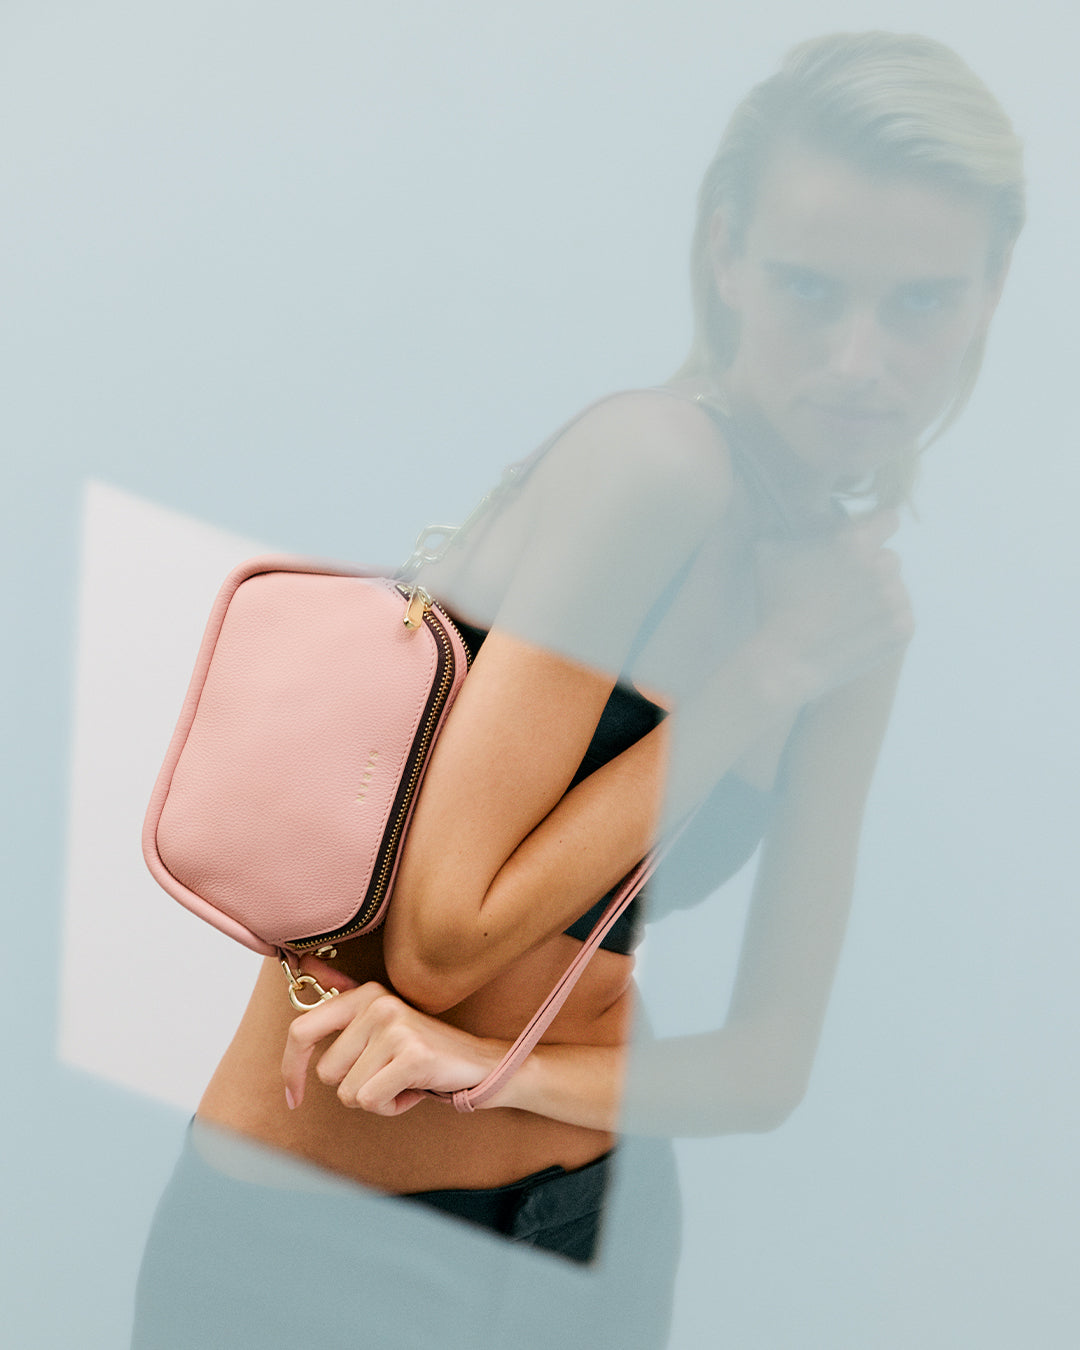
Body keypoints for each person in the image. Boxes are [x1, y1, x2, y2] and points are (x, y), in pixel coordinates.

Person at [132, 30, 1024, 1349]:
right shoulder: (652, 466)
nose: (858, 356)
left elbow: (768, 1065)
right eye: (809, 287)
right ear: (725, 255)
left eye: (920, 303)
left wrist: (499, 1073)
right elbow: (442, 939)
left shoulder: (847, 610)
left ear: (990, 293)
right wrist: (762, 677)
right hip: (321, 1254)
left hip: (588, 1241)